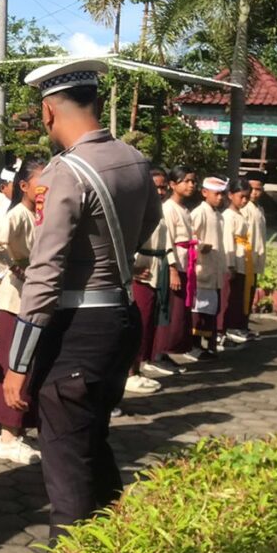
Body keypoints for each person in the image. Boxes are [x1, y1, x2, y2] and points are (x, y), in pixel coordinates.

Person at [2, 60, 161, 543]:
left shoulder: (65, 172)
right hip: (121, 317)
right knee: (92, 439)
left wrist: (17, 363)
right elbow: (151, 223)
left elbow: (45, 272)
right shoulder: (134, 159)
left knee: (67, 459)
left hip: (76, 329)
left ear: (48, 111)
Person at [0, 156, 48, 464]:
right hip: (16, 301)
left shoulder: (40, 216)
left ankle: (19, 430)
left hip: (34, 300)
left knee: (29, 364)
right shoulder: (19, 215)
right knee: (13, 363)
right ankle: (7, 435)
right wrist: (12, 265)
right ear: (24, 186)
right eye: (41, 182)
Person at [126, 166, 176, 392]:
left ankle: (139, 368)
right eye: (156, 187)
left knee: (149, 323)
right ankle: (129, 372)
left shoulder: (161, 211)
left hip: (158, 269)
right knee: (139, 322)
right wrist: (133, 268)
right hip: (141, 272)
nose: (160, 191)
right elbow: (127, 243)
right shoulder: (136, 211)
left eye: (163, 187)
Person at [152, 166, 198, 363]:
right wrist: (172, 270)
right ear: (173, 184)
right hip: (173, 265)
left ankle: (168, 350)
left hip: (185, 263)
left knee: (180, 313)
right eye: (186, 181)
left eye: (193, 181)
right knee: (169, 311)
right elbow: (167, 241)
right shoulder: (168, 208)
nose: (191, 185)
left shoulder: (185, 209)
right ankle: (159, 352)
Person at [190, 177, 228, 357]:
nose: (220, 198)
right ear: (205, 193)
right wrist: (200, 246)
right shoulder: (199, 213)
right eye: (217, 194)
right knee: (198, 311)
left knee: (209, 310)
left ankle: (206, 344)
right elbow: (189, 238)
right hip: (201, 270)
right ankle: (194, 346)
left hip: (214, 271)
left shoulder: (219, 216)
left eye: (222, 194)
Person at [220, 176, 254, 345]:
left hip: (243, 258)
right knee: (230, 297)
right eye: (241, 196)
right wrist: (230, 263)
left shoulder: (240, 214)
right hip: (234, 259)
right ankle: (224, 329)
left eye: (247, 197)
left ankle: (235, 326)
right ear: (230, 195)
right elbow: (227, 241)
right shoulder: (228, 216)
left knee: (238, 296)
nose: (245, 200)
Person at [242, 172, 267, 332]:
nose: (254, 193)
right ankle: (238, 325)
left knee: (250, 293)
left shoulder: (260, 209)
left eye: (258, 189)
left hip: (256, 257)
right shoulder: (244, 209)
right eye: (251, 189)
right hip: (245, 258)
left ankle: (244, 323)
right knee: (242, 294)